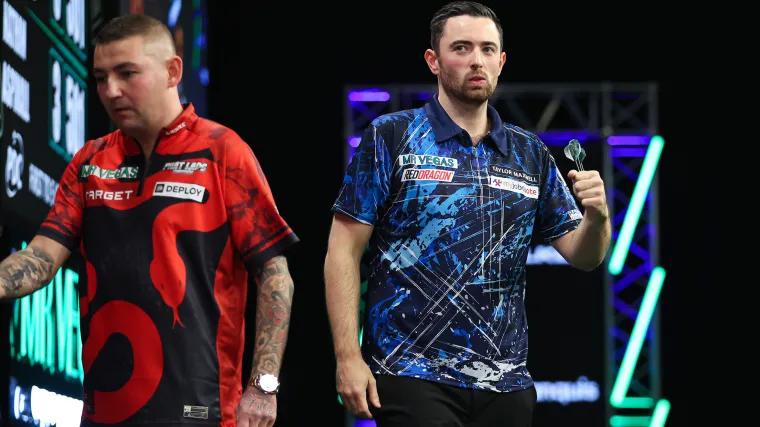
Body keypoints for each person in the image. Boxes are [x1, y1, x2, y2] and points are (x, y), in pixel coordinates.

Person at [0, 14, 298, 427]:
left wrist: (263, 387)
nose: (111, 91)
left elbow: (275, 276)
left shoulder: (224, 153)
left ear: (173, 71)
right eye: (101, 78)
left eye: (127, 74)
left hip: (204, 411)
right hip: (105, 413)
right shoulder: (89, 162)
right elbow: (40, 258)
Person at [324, 1, 611, 426]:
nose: (476, 60)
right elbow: (342, 251)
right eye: (461, 48)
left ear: (501, 61)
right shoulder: (392, 136)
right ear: (433, 60)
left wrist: (598, 217)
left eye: (487, 49)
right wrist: (348, 356)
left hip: (507, 383)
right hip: (410, 371)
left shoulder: (529, 152)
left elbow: (585, 256)